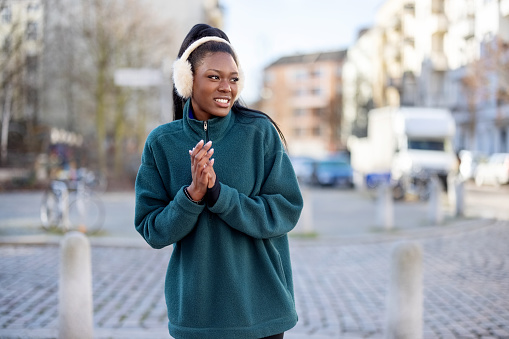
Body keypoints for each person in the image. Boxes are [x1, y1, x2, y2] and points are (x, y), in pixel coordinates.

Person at [134, 23, 303, 339]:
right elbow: (152, 230)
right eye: (214, 76)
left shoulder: (259, 133)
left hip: (262, 314)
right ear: (186, 80)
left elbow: (286, 209)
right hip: (197, 321)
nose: (226, 87)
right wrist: (192, 196)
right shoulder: (161, 143)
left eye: (233, 78)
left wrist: (219, 195)